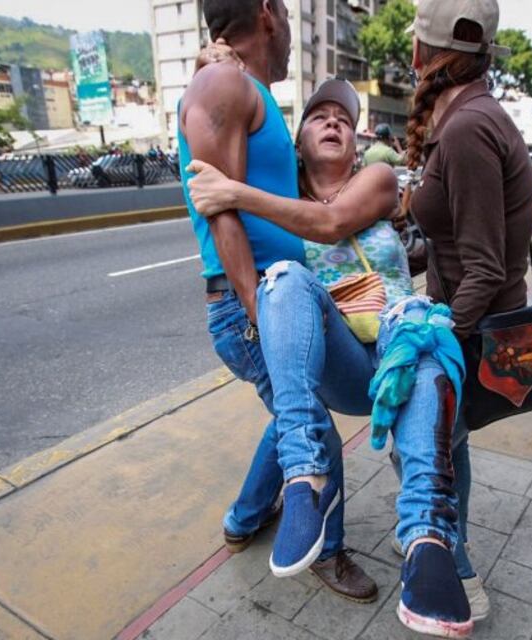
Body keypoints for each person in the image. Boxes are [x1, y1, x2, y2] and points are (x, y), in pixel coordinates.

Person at [177, 0, 376, 604]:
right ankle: (328, 550)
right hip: (253, 303)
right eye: (288, 13)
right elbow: (221, 208)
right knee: (309, 426)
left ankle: (243, 519)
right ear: (267, 12)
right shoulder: (223, 82)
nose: (290, 31)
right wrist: (260, 310)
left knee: (290, 414)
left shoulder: (243, 87)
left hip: (277, 295)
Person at [401, 0, 532, 631]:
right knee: (445, 449)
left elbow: (484, 266)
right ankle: (451, 547)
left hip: (467, 328)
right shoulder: (473, 118)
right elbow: (464, 241)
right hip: (465, 316)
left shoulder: (466, 130)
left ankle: (455, 572)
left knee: (426, 452)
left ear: (424, 56)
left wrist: (437, 340)